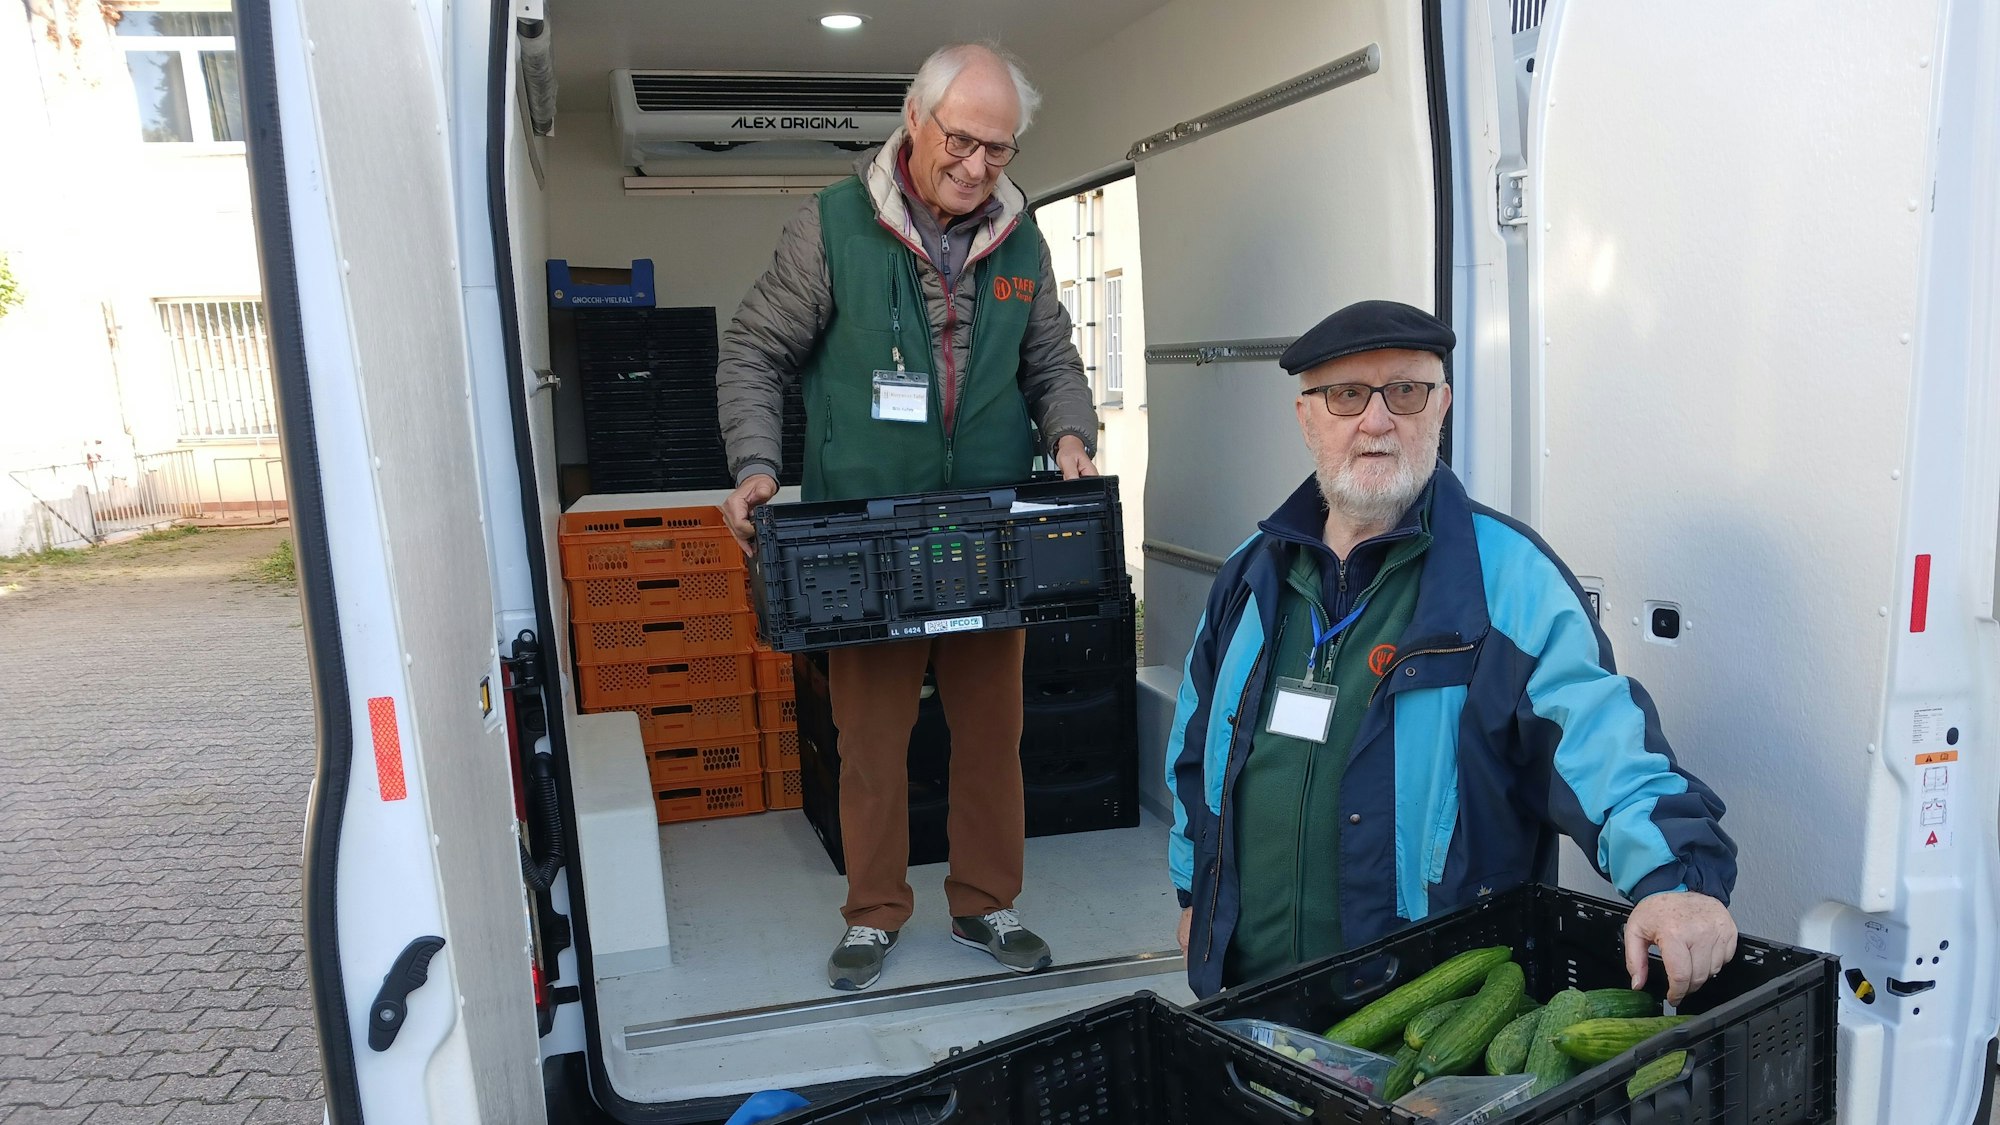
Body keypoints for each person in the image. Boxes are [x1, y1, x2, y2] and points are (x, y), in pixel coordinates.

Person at [1165, 300, 1739, 1002]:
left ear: (1440, 406)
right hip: (1247, 997)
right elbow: (1195, 752)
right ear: (1306, 417)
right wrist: (1197, 890)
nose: (1378, 421)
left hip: (1423, 1017)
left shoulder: (1510, 581)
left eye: (1405, 391)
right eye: (1347, 395)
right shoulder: (1249, 576)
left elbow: (1604, 745)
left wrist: (1677, 881)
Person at [716, 42, 1098, 992]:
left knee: (990, 733)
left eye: (998, 150)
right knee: (873, 741)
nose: (976, 167)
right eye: (960, 140)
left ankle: (985, 901)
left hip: (987, 531)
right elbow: (755, 350)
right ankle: (875, 911)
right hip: (864, 538)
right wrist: (757, 466)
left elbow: (1050, 360)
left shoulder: (1025, 236)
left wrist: (1072, 437)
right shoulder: (834, 226)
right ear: (914, 120)